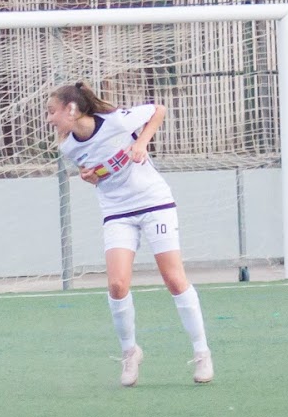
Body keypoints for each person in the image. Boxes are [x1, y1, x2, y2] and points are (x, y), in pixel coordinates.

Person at [47, 82, 214, 386]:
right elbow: (97, 173)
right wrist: (90, 175)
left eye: (52, 111)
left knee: (174, 279)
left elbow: (158, 110)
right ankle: (130, 352)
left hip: (154, 203)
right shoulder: (68, 147)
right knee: (117, 284)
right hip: (117, 212)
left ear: (71, 109)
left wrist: (142, 144)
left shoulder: (116, 121)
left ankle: (202, 353)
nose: (49, 119)